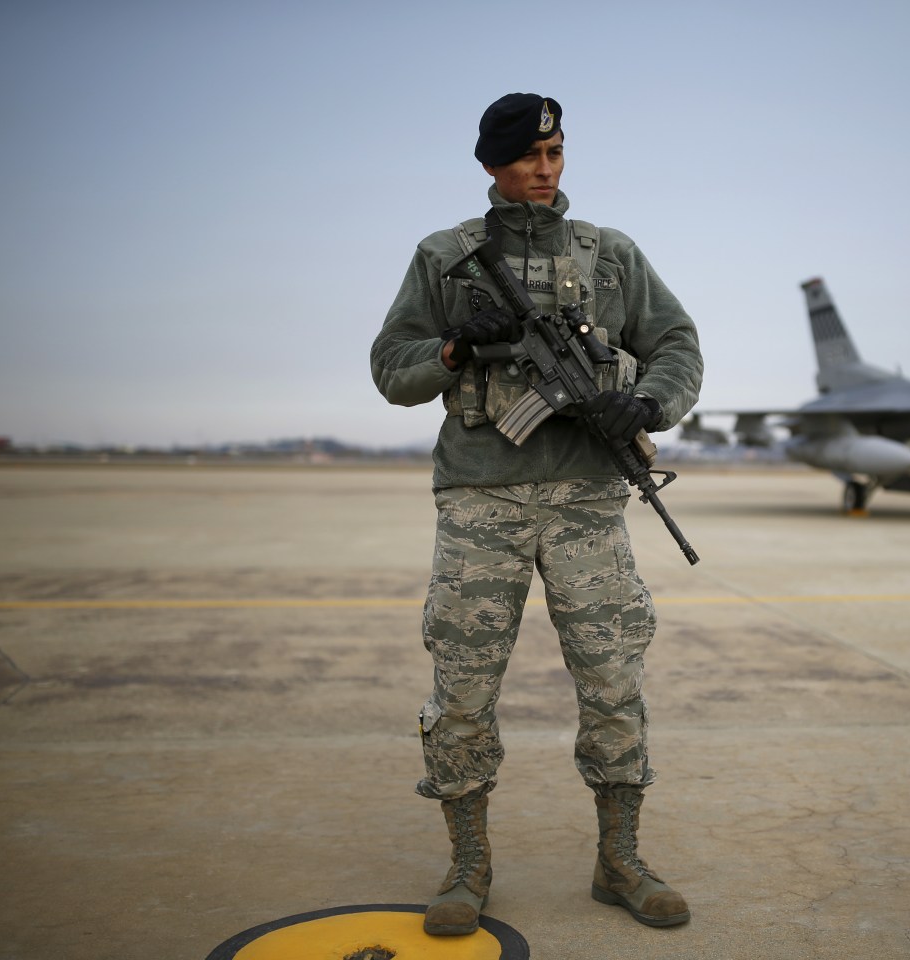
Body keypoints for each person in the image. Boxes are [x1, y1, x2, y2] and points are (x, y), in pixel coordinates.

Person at [369, 93, 703, 937]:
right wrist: (454, 348)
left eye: (555, 155)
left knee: (613, 675)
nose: (545, 172)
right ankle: (468, 865)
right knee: (463, 684)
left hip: (587, 499)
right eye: (527, 159)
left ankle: (619, 858)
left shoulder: (612, 255)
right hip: (482, 494)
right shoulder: (445, 257)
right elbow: (391, 368)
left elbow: (678, 344)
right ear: (491, 165)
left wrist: (649, 405)